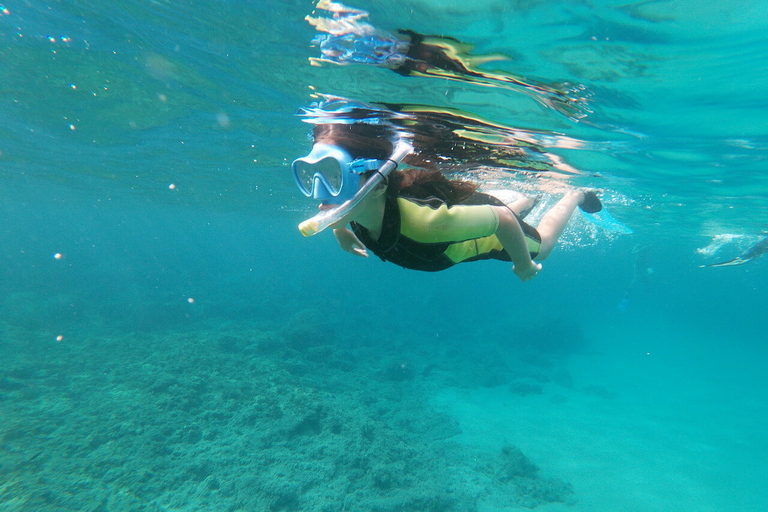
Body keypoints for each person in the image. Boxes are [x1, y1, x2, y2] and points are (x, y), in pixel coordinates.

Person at [293, 118, 603, 282]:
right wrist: (341, 233)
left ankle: (573, 194)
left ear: (375, 183)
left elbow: (503, 221)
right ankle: (525, 199)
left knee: (543, 247)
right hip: (469, 213)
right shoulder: (355, 209)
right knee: (500, 210)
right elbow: (337, 211)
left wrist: (524, 265)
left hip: (486, 227)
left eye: (334, 177)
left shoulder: (425, 225)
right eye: (312, 175)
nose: (321, 194)